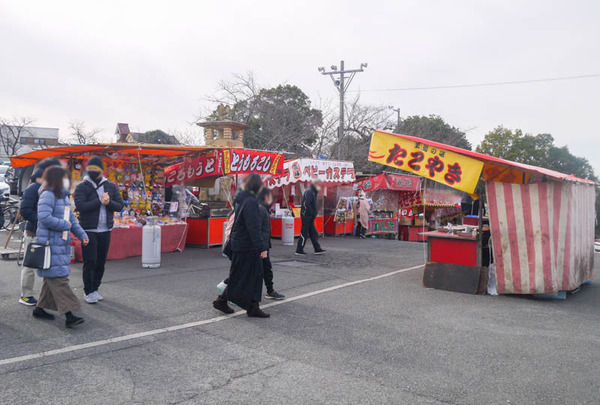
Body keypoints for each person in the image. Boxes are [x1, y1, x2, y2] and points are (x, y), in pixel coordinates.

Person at [33, 166, 89, 328]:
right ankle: (70, 315)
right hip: (50, 245)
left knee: (52, 278)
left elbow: (72, 219)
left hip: (58, 245)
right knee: (59, 279)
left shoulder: (63, 197)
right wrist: (65, 225)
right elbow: (44, 218)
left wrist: (82, 235)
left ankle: (40, 309)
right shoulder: (48, 194)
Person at [213, 173, 270, 318]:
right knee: (249, 276)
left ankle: (252, 306)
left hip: (240, 244)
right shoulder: (250, 201)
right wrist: (262, 247)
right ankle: (229, 301)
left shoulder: (241, 199)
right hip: (246, 246)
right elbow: (253, 227)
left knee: (246, 276)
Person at [73, 156, 124, 304]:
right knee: (90, 261)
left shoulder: (110, 186)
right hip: (88, 229)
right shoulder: (82, 186)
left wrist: (108, 203)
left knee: (101, 261)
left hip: (105, 229)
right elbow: (81, 206)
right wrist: (99, 201)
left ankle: (95, 288)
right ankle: (88, 291)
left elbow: (119, 205)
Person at [18, 157, 62, 306]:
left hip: (45, 233)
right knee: (29, 265)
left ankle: (46, 297)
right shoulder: (32, 189)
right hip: (33, 233)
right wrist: (42, 220)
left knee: (47, 265)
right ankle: (26, 295)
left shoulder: (47, 190)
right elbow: (25, 210)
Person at [257, 188, 285, 300]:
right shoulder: (260, 209)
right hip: (260, 246)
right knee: (250, 271)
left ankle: (270, 290)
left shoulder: (262, 207)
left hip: (262, 245)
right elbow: (258, 230)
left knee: (265, 268)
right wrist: (263, 248)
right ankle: (227, 291)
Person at [295, 179, 326, 256]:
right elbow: (306, 204)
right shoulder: (310, 192)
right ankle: (299, 250)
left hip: (310, 216)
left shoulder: (312, 192)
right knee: (304, 232)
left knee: (313, 233)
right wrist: (309, 214)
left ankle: (317, 248)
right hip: (307, 216)